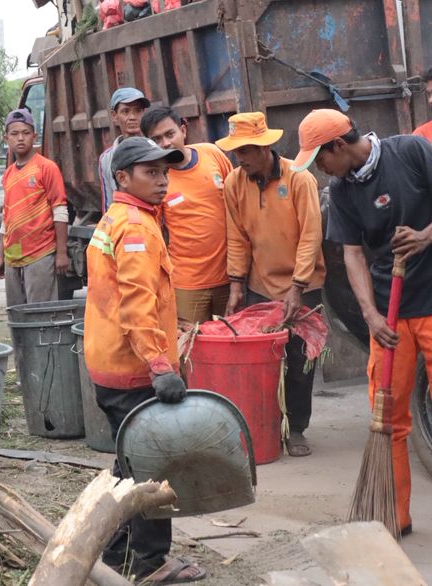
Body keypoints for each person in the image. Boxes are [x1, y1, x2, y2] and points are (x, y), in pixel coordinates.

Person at [298, 108, 432, 560]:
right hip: (389, 314)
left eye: (318, 159)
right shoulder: (341, 190)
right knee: (388, 415)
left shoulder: (411, 151)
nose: (318, 170)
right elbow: (353, 255)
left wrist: (427, 235)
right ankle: (395, 512)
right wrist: (370, 315)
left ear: (338, 147)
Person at [84, 137, 204, 584]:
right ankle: (151, 565)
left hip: (110, 361)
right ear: (122, 177)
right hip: (132, 368)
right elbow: (137, 306)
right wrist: (159, 365)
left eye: (164, 171)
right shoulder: (135, 226)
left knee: (127, 464)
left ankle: (111, 552)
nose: (162, 179)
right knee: (153, 466)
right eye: (150, 172)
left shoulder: (117, 217)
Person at [218, 111, 326, 457]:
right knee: (260, 362)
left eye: (246, 151)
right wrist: (236, 283)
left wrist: (298, 285)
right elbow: (236, 236)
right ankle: (262, 425)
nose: (240, 159)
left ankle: (297, 429)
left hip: (303, 285)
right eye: (236, 153)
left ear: (264, 147)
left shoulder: (298, 178)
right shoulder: (235, 182)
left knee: (298, 361)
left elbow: (311, 234)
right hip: (258, 284)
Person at [140, 104, 233, 324]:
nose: (165, 143)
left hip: (229, 278)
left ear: (183, 130)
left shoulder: (212, 155)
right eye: (157, 139)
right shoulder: (157, 180)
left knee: (231, 345)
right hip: (187, 284)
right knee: (190, 349)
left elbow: (237, 204)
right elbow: (156, 234)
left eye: (170, 134)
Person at [0, 109, 69, 305]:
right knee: (16, 314)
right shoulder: (9, 174)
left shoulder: (46, 168)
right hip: (12, 257)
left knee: (40, 314)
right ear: (6, 138)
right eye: (14, 134)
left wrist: (61, 253)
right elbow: (7, 217)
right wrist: (1, 255)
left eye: (26, 133)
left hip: (41, 254)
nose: (20, 138)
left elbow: (59, 210)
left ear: (34, 136)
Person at [97, 87, 151, 215]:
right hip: (126, 225)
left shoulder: (157, 150)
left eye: (138, 111)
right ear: (114, 116)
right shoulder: (106, 159)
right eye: (125, 111)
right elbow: (109, 204)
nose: (132, 117)